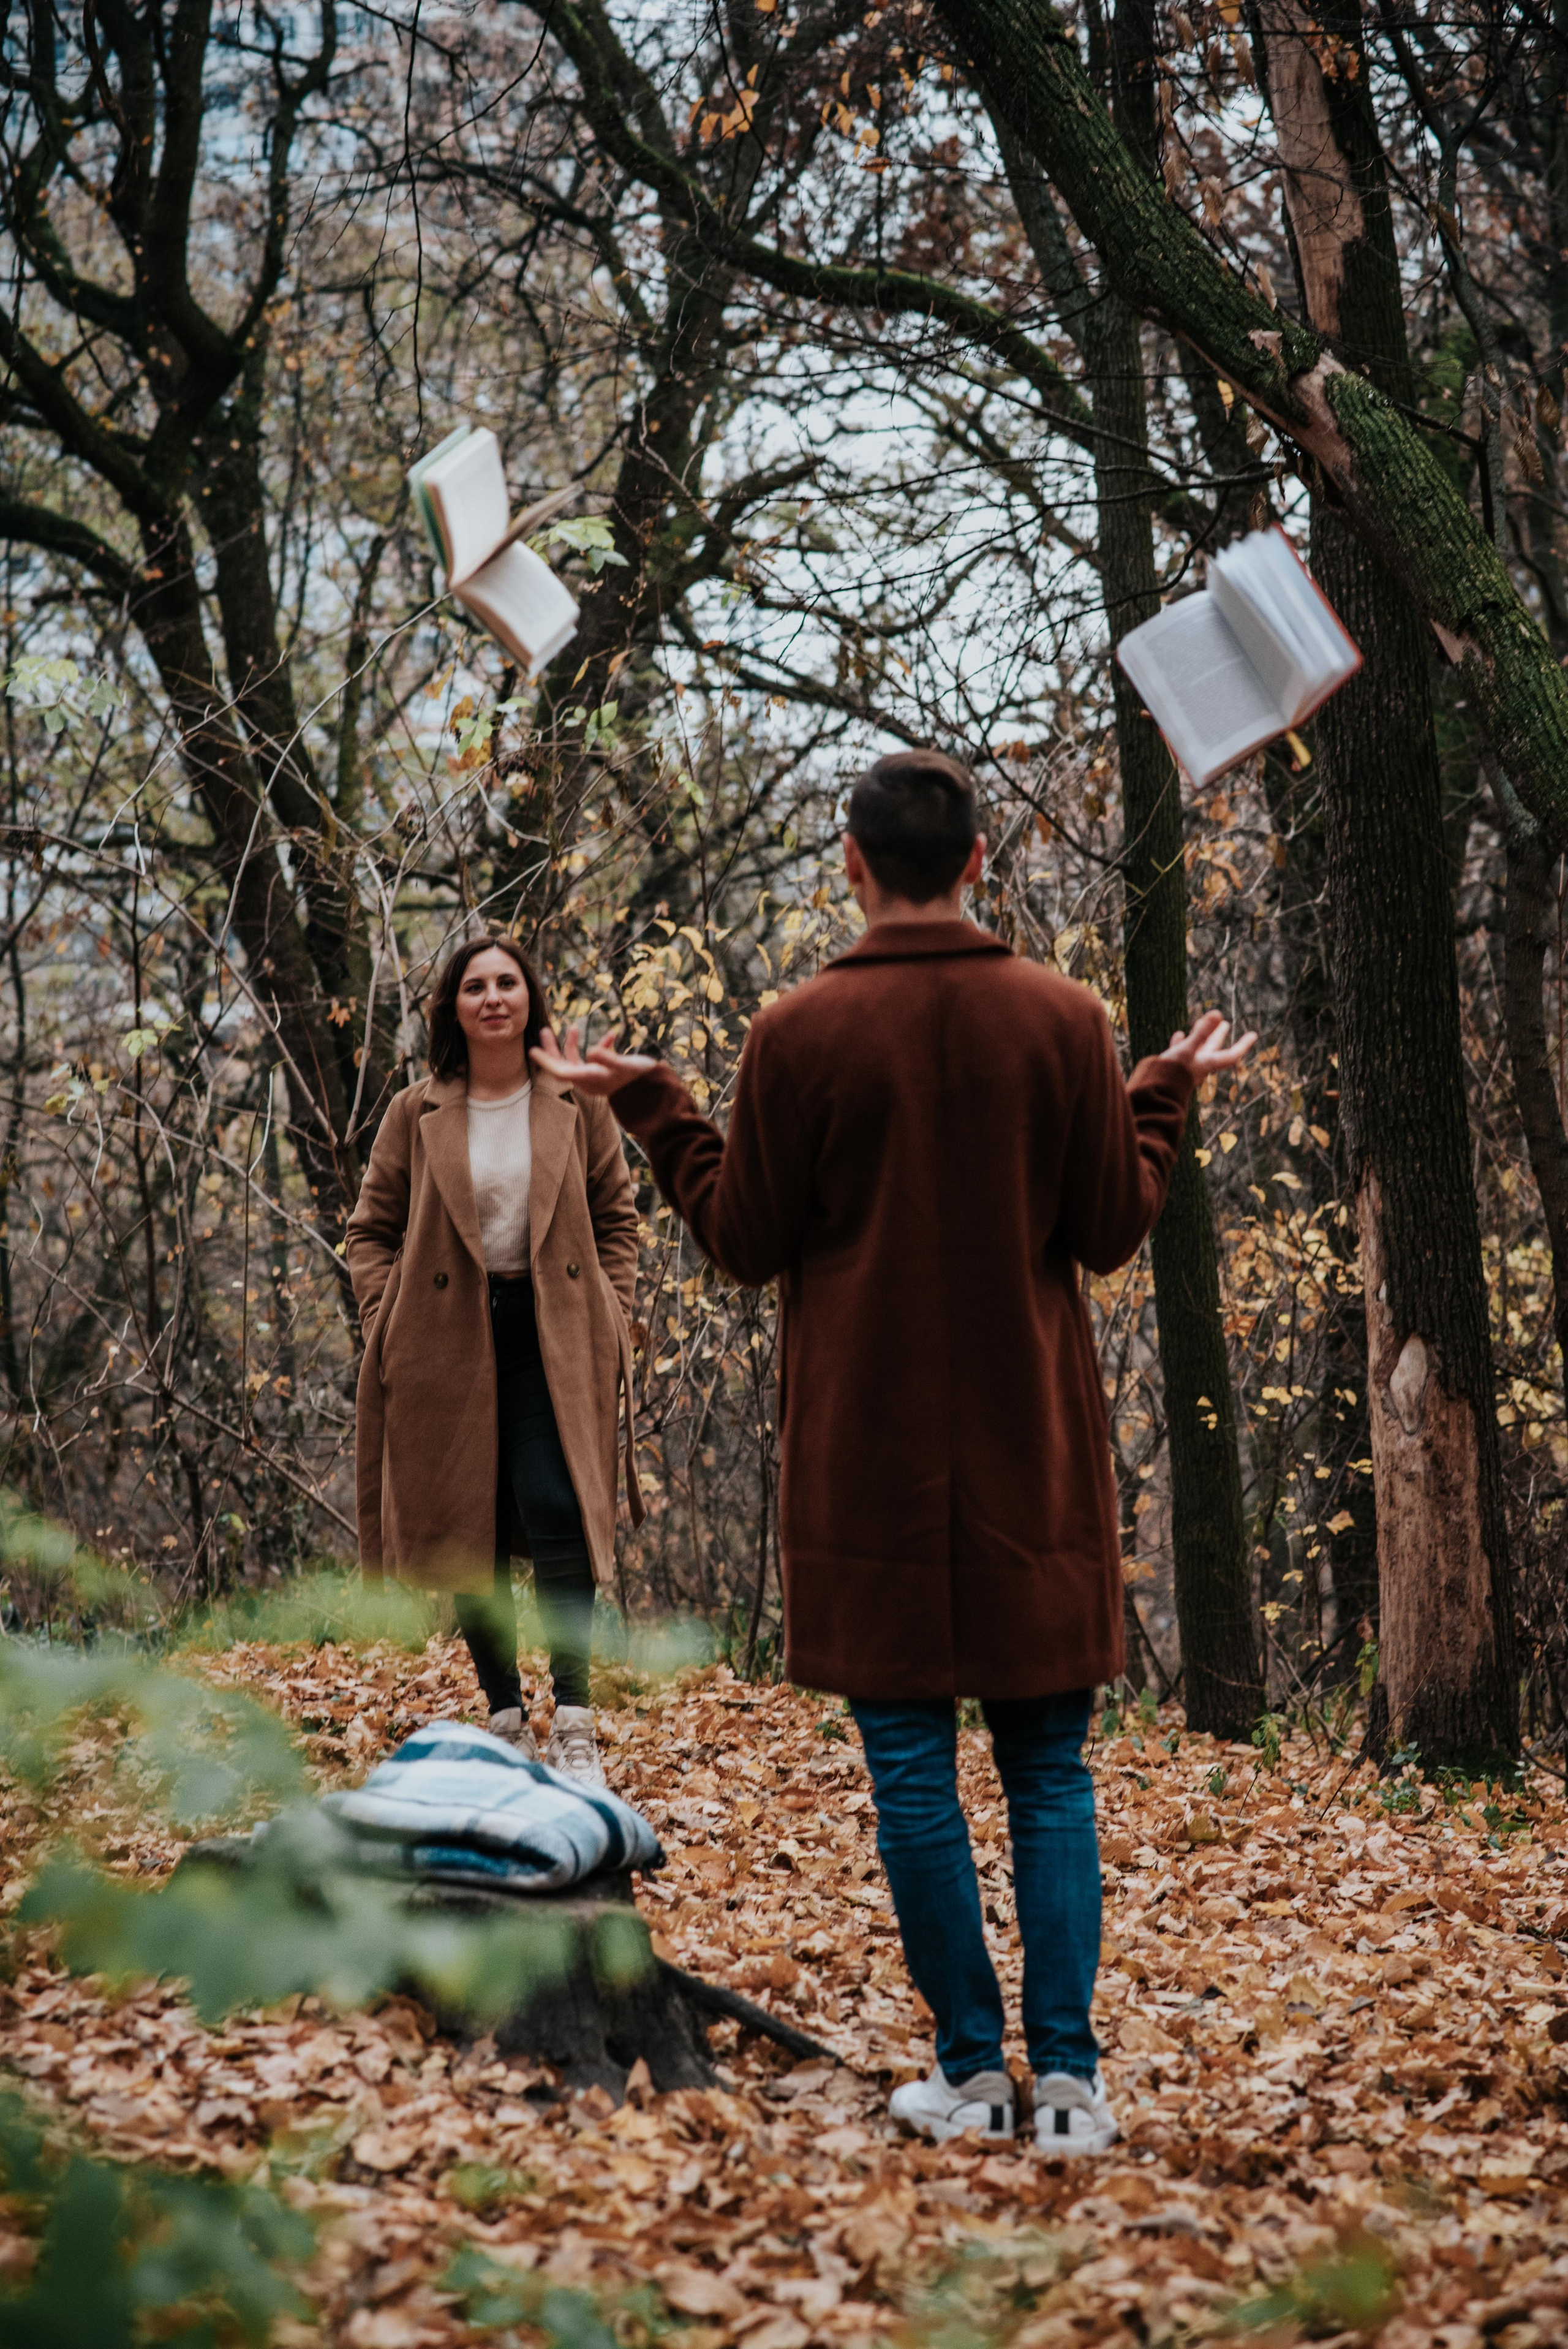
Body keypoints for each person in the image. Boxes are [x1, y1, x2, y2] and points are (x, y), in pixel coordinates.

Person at [532, 748, 1255, 2151]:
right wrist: (1159, 1092)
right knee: (1047, 1771)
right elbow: (1111, 1230)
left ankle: (972, 2075)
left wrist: (656, 1106)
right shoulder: (1061, 1019)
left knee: (913, 1771)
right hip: (1028, 1452)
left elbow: (741, 1243)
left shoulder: (797, 1033)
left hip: (863, 1462)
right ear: (976, 861)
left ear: (852, 866)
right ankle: (1071, 2090)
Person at [345, 934, 643, 1782]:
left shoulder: (577, 1102)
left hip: (557, 1335)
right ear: (454, 1006)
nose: (493, 997)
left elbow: (617, 1218)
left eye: (508, 981)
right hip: (449, 1344)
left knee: (558, 1509)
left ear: (530, 998)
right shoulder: (418, 1110)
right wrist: (387, 1317)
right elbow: (369, 1231)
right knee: (468, 1524)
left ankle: (576, 1720)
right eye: (475, 985)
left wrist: (612, 1315)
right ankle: (506, 1715)